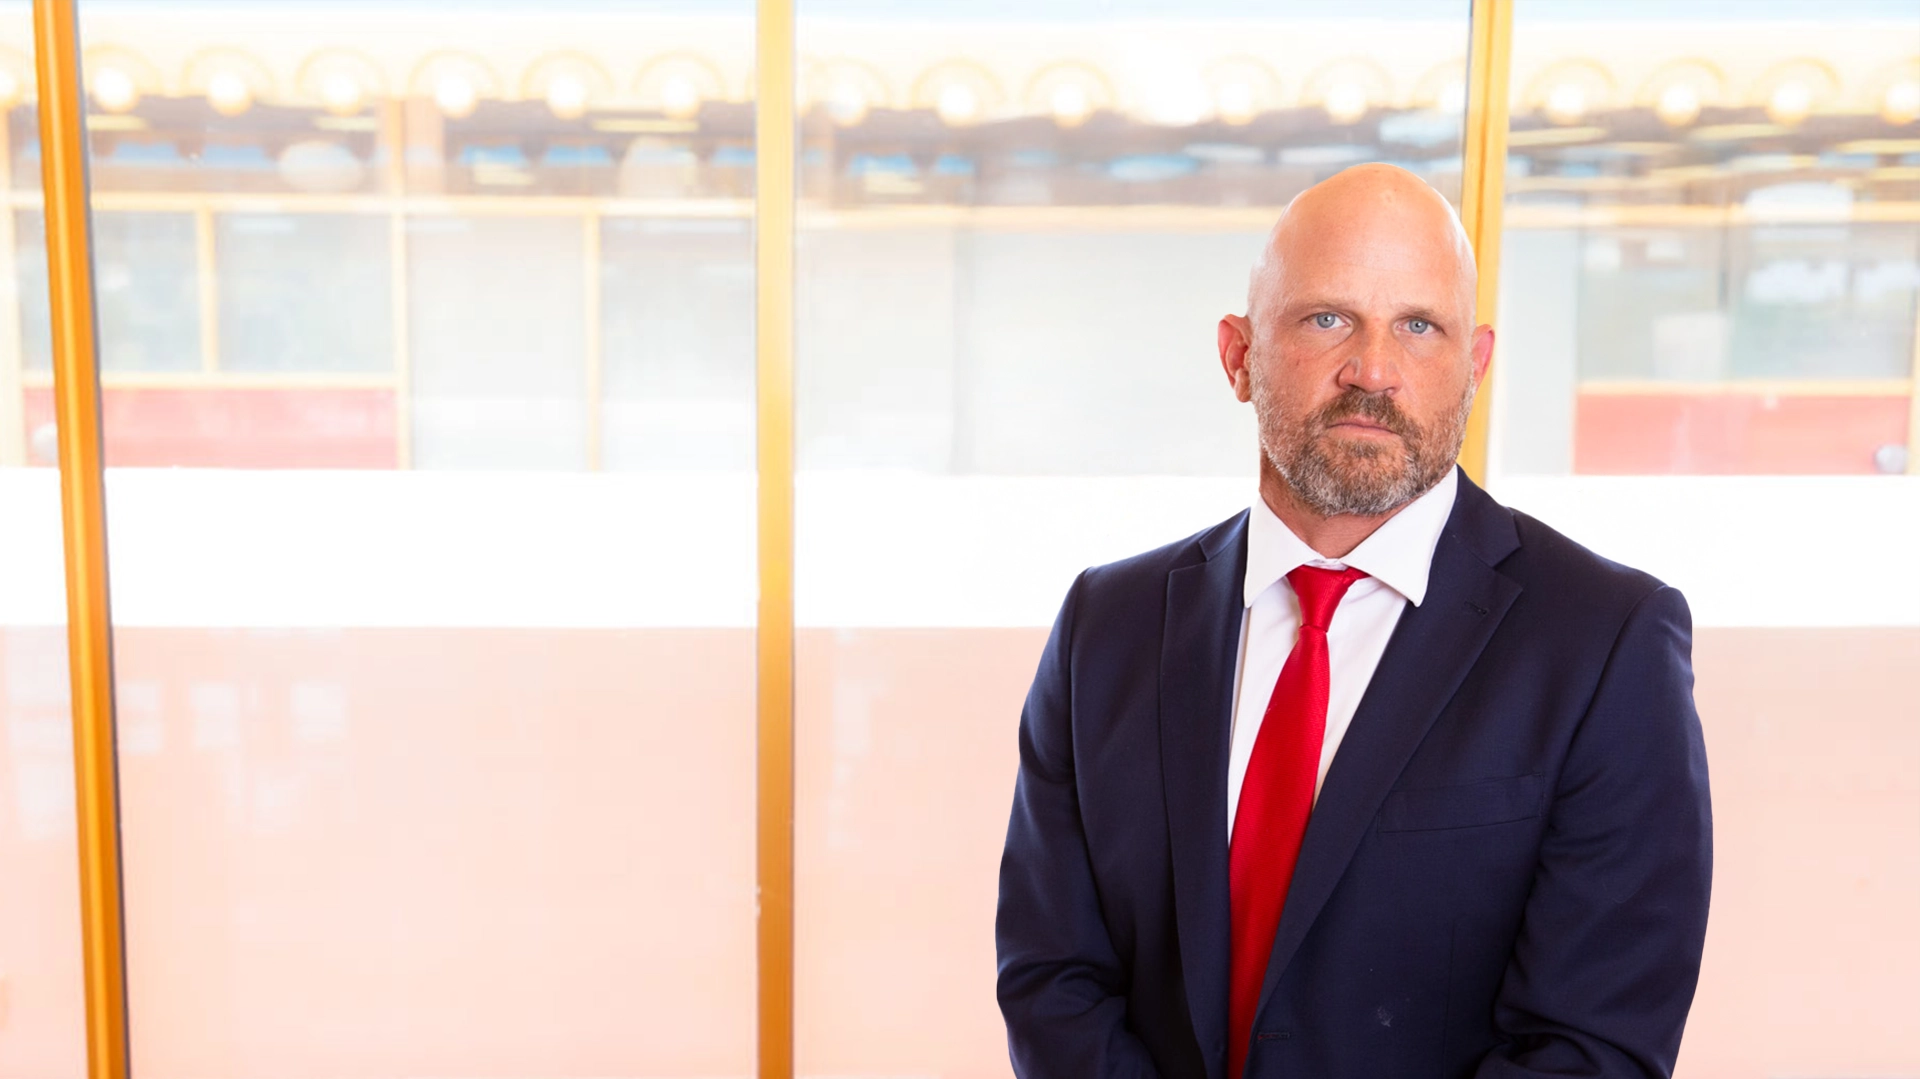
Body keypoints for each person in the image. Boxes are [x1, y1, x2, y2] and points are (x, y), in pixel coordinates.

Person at [994, 163, 1712, 1079]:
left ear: (1475, 365)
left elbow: (1591, 1047)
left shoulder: (1607, 643)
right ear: (1239, 355)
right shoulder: (1108, 627)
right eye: (1328, 319)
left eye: (1419, 326)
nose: (1374, 369)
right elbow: (1053, 978)